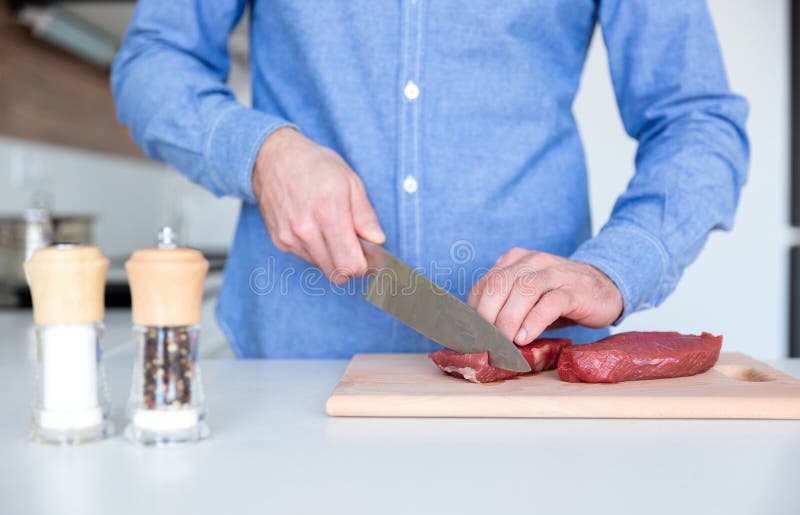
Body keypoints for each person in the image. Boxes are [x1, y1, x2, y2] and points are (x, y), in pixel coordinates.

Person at [111, 1, 748, 359]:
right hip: (290, 375)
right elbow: (153, 60)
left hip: (534, 383)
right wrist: (261, 153)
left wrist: (617, 267)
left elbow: (696, 117)